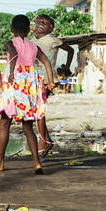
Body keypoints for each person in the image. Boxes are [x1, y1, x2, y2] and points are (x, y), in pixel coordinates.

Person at [0, 15, 55, 174]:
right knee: (28, 126)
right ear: (29, 31)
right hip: (28, 86)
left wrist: (11, 71)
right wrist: (51, 81)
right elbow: (46, 62)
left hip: (15, 83)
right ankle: (37, 163)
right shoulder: (33, 46)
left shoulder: (10, 42)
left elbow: (13, 52)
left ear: (12, 30)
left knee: (4, 122)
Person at [31, 14, 74, 157]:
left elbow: (70, 50)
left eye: (46, 22)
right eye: (40, 22)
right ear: (34, 25)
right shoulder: (31, 41)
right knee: (36, 110)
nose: (42, 24)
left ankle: (43, 141)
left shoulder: (52, 40)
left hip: (46, 79)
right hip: (32, 79)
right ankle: (46, 139)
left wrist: (67, 67)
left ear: (51, 27)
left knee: (39, 110)